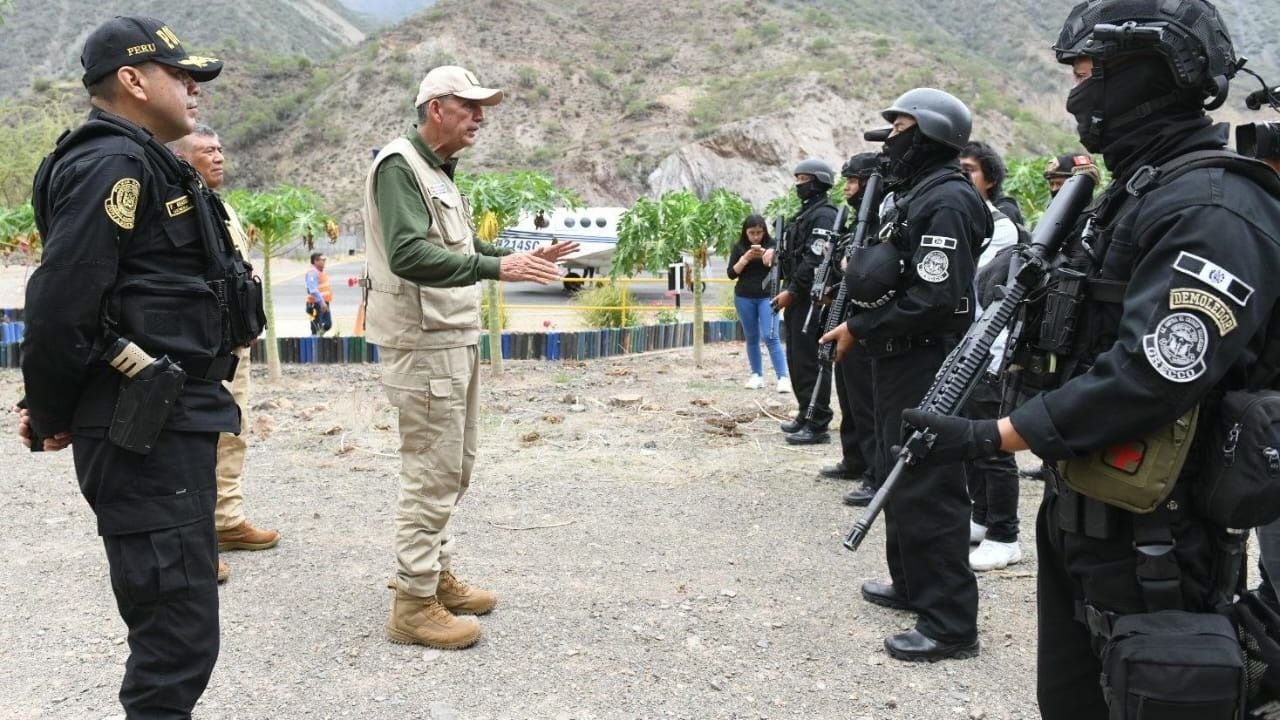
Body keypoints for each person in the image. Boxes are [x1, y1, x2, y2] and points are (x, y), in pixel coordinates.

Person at [898, 1, 1280, 715]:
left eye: (1087, 74)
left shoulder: (1212, 206)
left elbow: (1155, 370)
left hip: (1160, 533)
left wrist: (992, 437)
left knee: (1151, 692)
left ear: (1144, 78)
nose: (1078, 95)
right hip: (1090, 506)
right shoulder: (1134, 193)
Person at [18, 16, 256, 717]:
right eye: (178, 74)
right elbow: (62, 303)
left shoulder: (144, 158)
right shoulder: (110, 166)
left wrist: (58, 406)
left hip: (169, 418)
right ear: (130, 80)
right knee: (175, 635)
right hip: (141, 428)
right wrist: (55, 410)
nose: (192, 86)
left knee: (178, 628)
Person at [364, 65, 578, 650]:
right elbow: (409, 253)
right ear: (436, 108)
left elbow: (455, 246)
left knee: (454, 467)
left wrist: (516, 255)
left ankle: (432, 574)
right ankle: (413, 603)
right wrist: (495, 268)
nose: (480, 117)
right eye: (470, 106)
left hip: (449, 337)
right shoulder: (400, 167)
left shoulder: (436, 171)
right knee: (431, 472)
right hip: (423, 341)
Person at [820, 87, 989, 661]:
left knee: (929, 484)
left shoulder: (945, 199)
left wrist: (862, 329)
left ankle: (949, 622)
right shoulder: (914, 194)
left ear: (931, 134)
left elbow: (936, 297)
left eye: (900, 128)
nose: (890, 139)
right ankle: (913, 584)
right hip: (899, 354)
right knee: (898, 467)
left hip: (927, 358)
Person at [169, 125, 281, 585]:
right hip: (196, 350)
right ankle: (188, 545)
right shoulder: (174, 210)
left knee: (233, 432)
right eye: (205, 150)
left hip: (231, 342)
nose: (218, 157)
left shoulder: (220, 206)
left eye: (220, 149)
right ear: (179, 156)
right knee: (194, 444)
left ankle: (226, 520)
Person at [958, 141, 1024, 571]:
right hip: (965, 349)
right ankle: (982, 517)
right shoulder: (967, 221)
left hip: (991, 348)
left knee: (993, 443)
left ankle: (1005, 534)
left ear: (990, 180)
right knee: (969, 440)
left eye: (970, 172)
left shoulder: (1000, 228)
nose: (963, 179)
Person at [773, 158, 838, 445]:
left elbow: (814, 261)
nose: (798, 184)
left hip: (811, 299)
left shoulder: (823, 215)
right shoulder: (807, 213)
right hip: (799, 297)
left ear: (818, 181)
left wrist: (792, 291)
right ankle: (805, 413)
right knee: (797, 360)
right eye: (797, 179)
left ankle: (818, 422)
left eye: (803, 179)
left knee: (810, 361)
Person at [829, 152, 882, 501]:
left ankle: (875, 473)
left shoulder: (881, 219)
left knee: (867, 403)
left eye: (852, 181)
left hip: (868, 322)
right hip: (847, 314)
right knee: (849, 396)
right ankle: (855, 459)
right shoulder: (856, 222)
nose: (847, 188)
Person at [726, 214, 789, 390]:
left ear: (764, 231)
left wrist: (770, 257)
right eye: (751, 233)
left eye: (759, 232)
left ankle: (783, 377)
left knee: (771, 335)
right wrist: (745, 258)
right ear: (745, 232)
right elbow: (731, 274)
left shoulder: (773, 245)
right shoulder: (738, 247)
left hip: (767, 296)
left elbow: (783, 273)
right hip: (744, 296)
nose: (755, 237)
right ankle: (756, 375)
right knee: (751, 337)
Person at [305, 251, 333, 335]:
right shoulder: (312, 273)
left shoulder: (320, 272)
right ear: (315, 261)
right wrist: (322, 303)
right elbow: (313, 290)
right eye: (322, 260)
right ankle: (315, 342)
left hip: (323, 303)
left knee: (327, 324)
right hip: (316, 304)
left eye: (324, 260)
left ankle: (319, 339)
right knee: (316, 327)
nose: (324, 262)